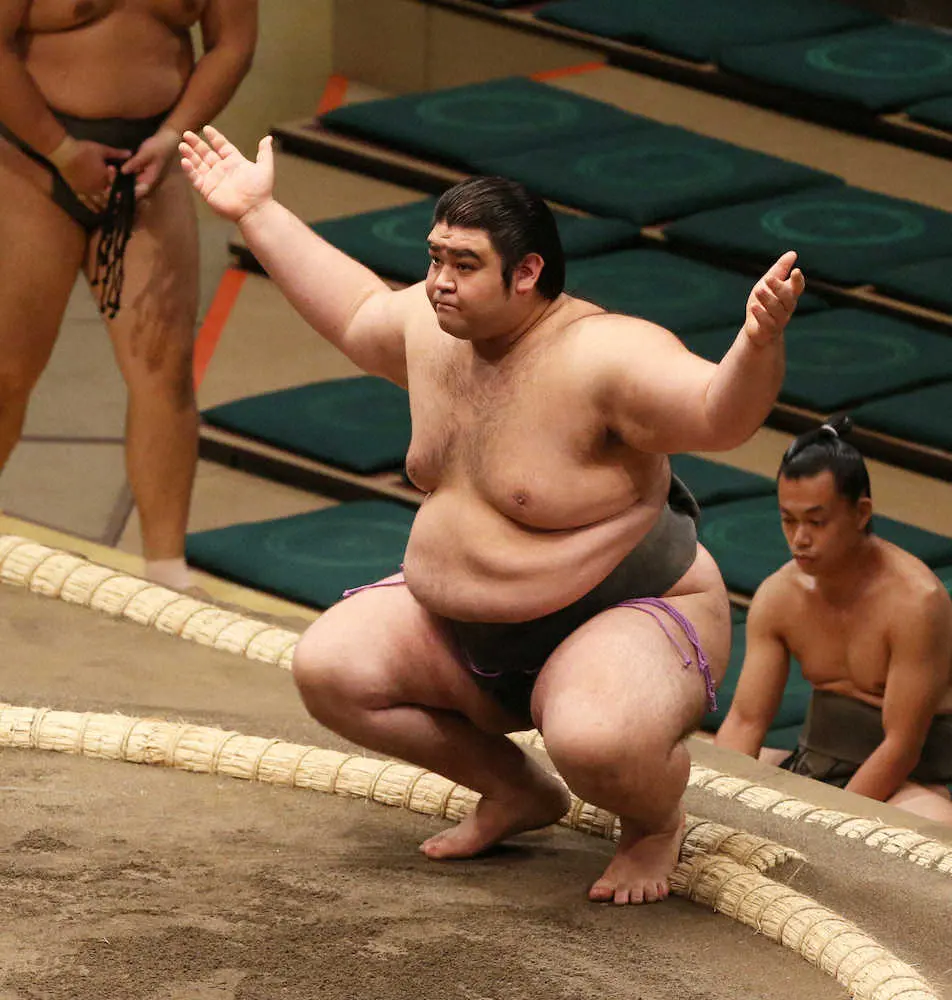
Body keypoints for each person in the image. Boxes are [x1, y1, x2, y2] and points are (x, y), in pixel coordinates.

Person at [180, 125, 806, 903]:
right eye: (436, 257)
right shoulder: (430, 328)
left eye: (464, 264)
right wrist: (256, 211)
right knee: (331, 668)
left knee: (594, 738)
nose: (439, 280)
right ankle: (517, 792)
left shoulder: (604, 355)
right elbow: (355, 312)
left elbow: (719, 415)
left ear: (527, 272)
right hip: (470, 633)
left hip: (627, 613)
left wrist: (756, 342)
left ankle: (653, 823)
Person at [0, 0, 257, 591]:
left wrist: (173, 136)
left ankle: (166, 570)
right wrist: (61, 151)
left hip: (151, 165)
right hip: (32, 165)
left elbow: (232, 43)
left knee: (164, 374)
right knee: (7, 374)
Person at [716, 417, 952, 825]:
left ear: (861, 513)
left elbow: (901, 748)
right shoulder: (779, 596)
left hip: (906, 782)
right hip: (813, 764)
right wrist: (717, 801)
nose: (799, 539)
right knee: (683, 760)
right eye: (788, 520)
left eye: (816, 521)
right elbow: (745, 722)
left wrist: (825, 824)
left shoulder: (917, 602)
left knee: (932, 831)